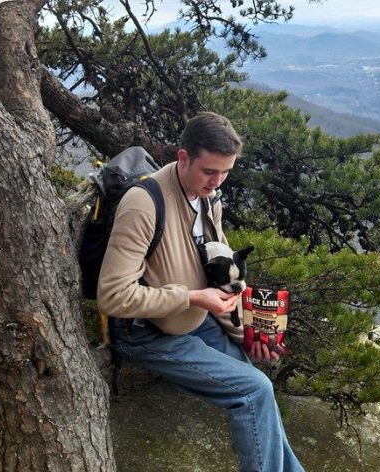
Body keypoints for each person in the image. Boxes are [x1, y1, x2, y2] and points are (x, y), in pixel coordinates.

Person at [98, 112, 304, 472]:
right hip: (149, 333)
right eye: (209, 171)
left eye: (226, 172)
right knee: (253, 393)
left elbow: (218, 275)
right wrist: (192, 298)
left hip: (198, 321)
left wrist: (249, 331)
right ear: (183, 157)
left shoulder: (208, 199)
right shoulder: (143, 203)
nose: (217, 181)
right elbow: (113, 296)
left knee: (260, 383)